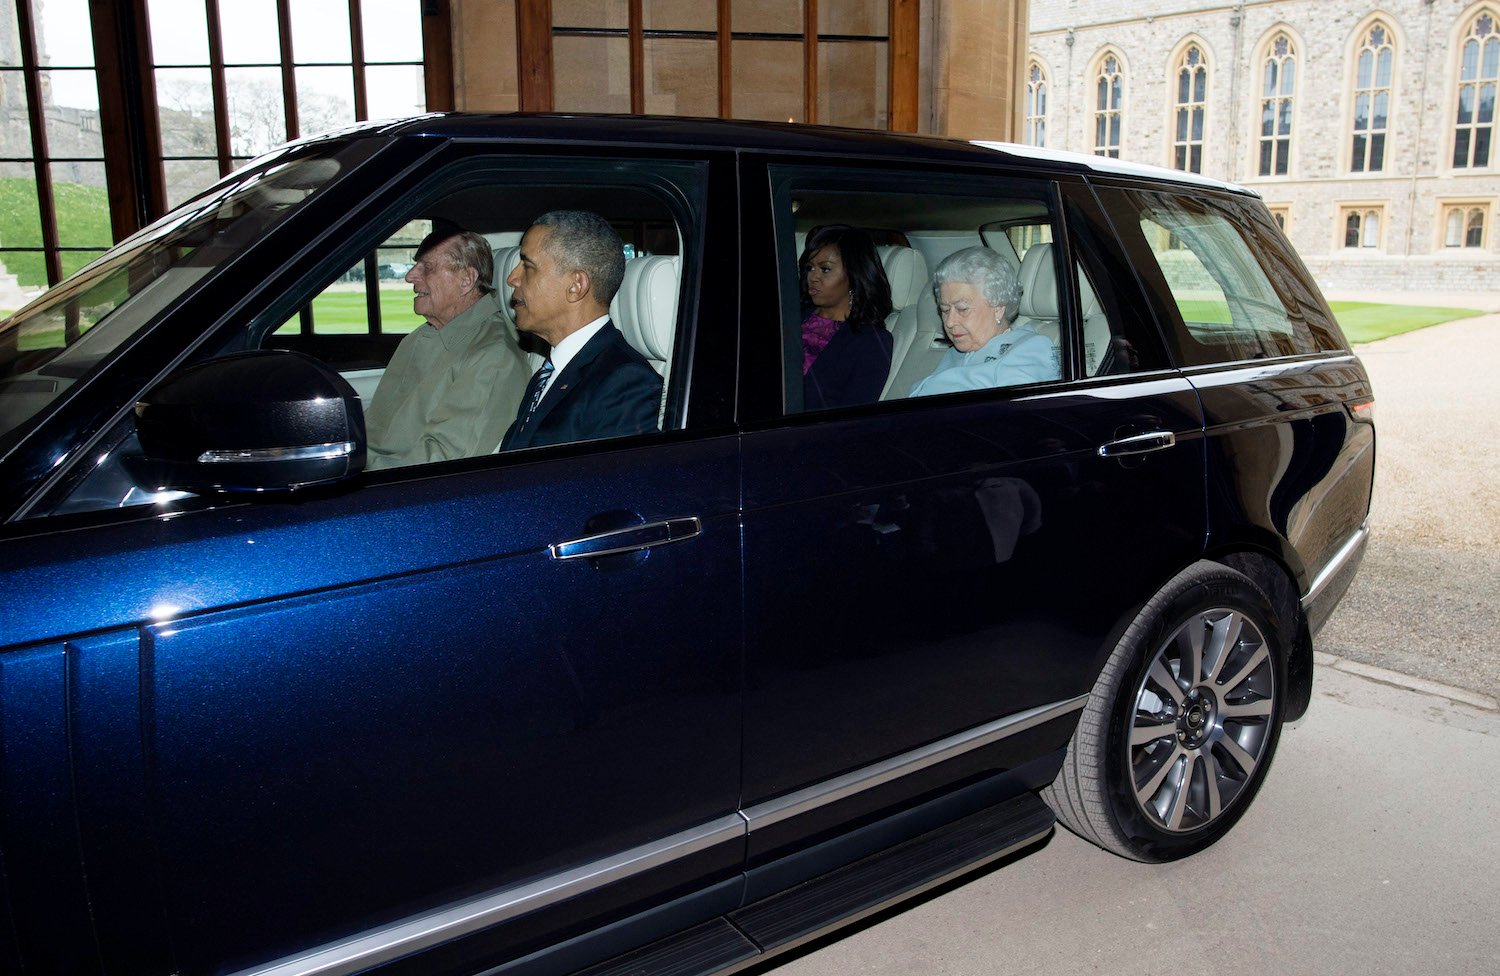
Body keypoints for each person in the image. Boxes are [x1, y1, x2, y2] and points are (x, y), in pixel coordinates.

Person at [363, 229, 532, 470]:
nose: (410, 276)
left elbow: (442, 465)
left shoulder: (492, 358)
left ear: (466, 280)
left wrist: (354, 465)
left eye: (427, 267)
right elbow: (379, 424)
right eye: (415, 266)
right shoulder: (422, 335)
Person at [499, 210, 661, 451]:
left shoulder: (625, 383)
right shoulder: (549, 372)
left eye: (527, 265)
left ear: (576, 286)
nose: (512, 278)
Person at [909, 246, 1058, 397]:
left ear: (998, 308)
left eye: (962, 309)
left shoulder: (1030, 349)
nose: (949, 322)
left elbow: (1020, 414)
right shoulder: (955, 353)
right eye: (945, 310)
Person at [798, 225, 894, 410]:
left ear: (854, 274)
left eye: (825, 269)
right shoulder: (791, 318)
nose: (813, 277)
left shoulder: (870, 342)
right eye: (809, 268)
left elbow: (851, 419)